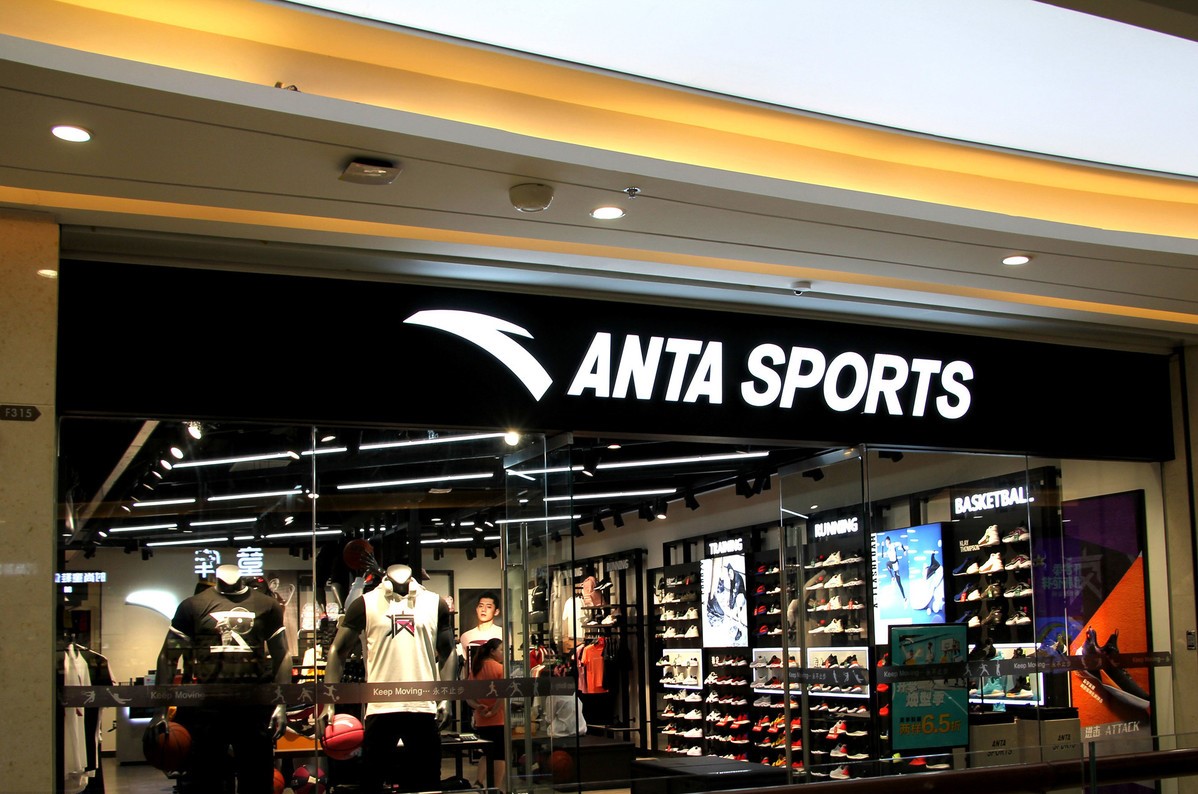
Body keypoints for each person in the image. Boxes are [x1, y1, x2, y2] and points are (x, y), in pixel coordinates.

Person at [147, 564, 289, 793]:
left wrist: (281, 704)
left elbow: (282, 655)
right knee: (209, 782)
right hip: (208, 709)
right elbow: (168, 656)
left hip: (253, 709)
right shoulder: (192, 606)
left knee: (256, 782)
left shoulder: (267, 606)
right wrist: (160, 709)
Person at [322, 563, 453, 794]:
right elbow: (337, 651)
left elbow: (448, 652)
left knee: (427, 784)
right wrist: (328, 701)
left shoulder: (434, 603)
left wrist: (446, 697)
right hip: (381, 706)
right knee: (372, 782)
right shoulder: (365, 603)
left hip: (422, 706)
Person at [466, 638, 507, 791]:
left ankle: (479, 781)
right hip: (498, 719)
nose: (503, 653)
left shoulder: (476, 670)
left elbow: (468, 697)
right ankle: (496, 788)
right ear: (492, 651)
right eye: (501, 650)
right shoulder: (500, 669)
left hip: (481, 719)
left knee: (487, 752)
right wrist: (493, 711)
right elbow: (503, 695)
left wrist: (478, 707)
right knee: (500, 755)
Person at [882, 535, 908, 603]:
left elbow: (900, 543)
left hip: (895, 565)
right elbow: (882, 556)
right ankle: (892, 577)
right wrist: (882, 547)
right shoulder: (887, 551)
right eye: (885, 543)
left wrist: (904, 550)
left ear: (889, 541)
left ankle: (904, 597)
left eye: (887, 542)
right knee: (887, 564)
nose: (886, 544)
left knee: (899, 583)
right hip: (891, 563)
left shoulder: (893, 545)